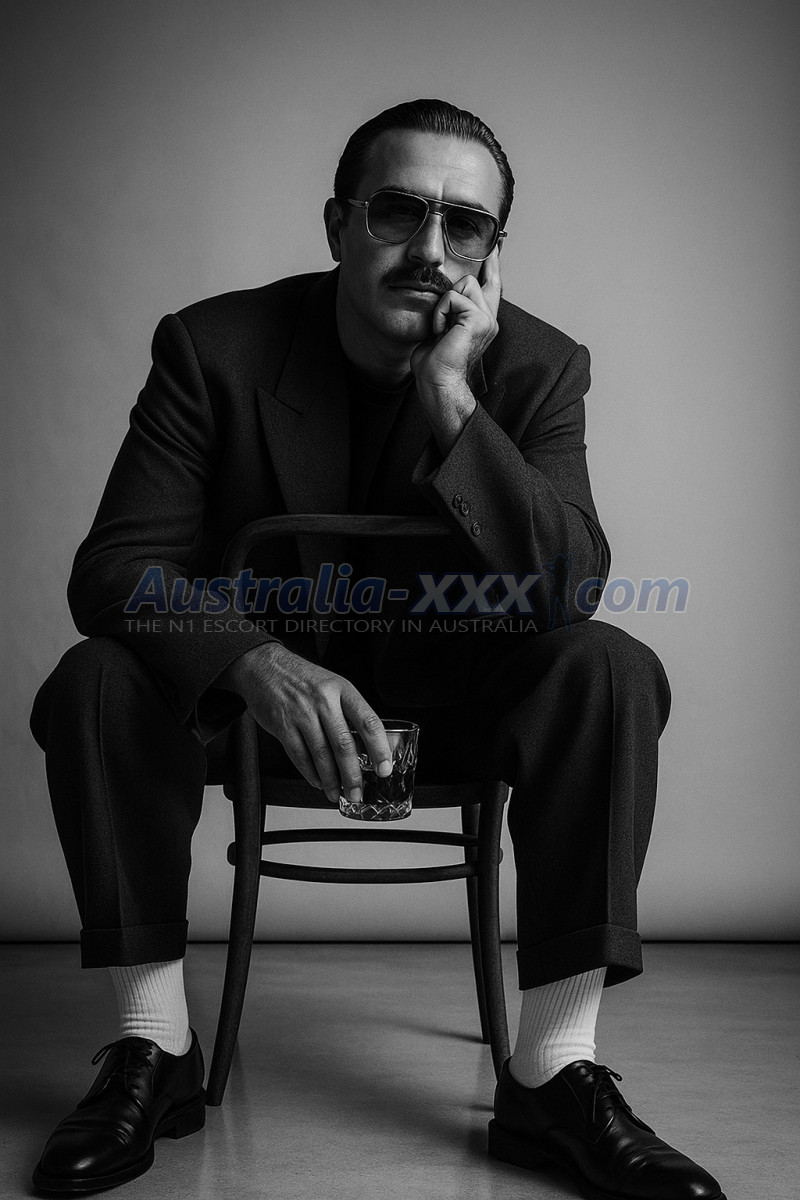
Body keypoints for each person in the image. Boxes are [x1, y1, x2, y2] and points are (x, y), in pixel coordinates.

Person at [28, 98, 725, 1199]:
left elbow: (567, 589)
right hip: (258, 718)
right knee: (98, 678)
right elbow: (115, 569)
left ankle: (553, 1072)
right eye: (399, 212)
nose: (432, 250)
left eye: (466, 225)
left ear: (493, 249)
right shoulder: (212, 349)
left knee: (607, 664)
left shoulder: (537, 366)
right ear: (337, 224)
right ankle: (152, 1048)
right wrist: (254, 662)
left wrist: (453, 397)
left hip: (459, 705)